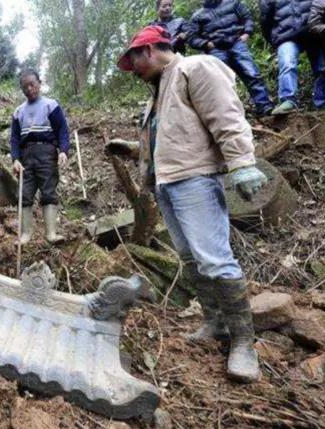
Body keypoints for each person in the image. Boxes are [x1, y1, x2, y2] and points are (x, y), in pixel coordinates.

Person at [118, 26, 267, 383]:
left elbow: (227, 117)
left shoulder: (196, 68)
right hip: (168, 183)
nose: (134, 70)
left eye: (134, 61)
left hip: (195, 180)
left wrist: (243, 163)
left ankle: (244, 343)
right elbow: (173, 138)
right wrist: (133, 149)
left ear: (149, 50)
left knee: (214, 258)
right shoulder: (159, 91)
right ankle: (214, 323)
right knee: (189, 258)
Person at [10, 69, 69, 245]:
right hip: (26, 155)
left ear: (39, 83)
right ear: (21, 89)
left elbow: (62, 130)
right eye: (25, 87)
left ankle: (51, 233)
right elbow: (14, 138)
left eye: (32, 84)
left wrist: (64, 150)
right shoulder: (18, 112)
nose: (29, 89)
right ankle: (25, 235)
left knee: (49, 191)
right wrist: (15, 159)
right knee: (25, 194)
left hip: (47, 153)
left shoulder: (51, 105)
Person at [188, 0, 274, 116]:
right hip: (216, 49)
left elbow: (247, 17)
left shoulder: (233, 3)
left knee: (251, 73)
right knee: (222, 83)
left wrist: (247, 33)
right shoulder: (197, 16)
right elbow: (192, 38)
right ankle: (233, 114)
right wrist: (206, 44)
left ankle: (264, 106)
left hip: (236, 43)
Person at [260, 0, 325, 114]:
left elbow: (321, 8)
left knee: (323, 68)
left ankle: (323, 103)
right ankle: (288, 101)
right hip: (286, 36)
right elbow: (265, 21)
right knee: (287, 63)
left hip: (312, 34)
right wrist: (274, 40)